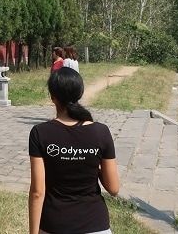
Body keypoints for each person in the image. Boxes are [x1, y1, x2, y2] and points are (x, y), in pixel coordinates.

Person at [29, 68, 120, 234]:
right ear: (80, 94)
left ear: (52, 97)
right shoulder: (101, 132)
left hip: (55, 225)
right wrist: (93, 167)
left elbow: (37, 192)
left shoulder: (40, 133)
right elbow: (113, 189)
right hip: (96, 225)